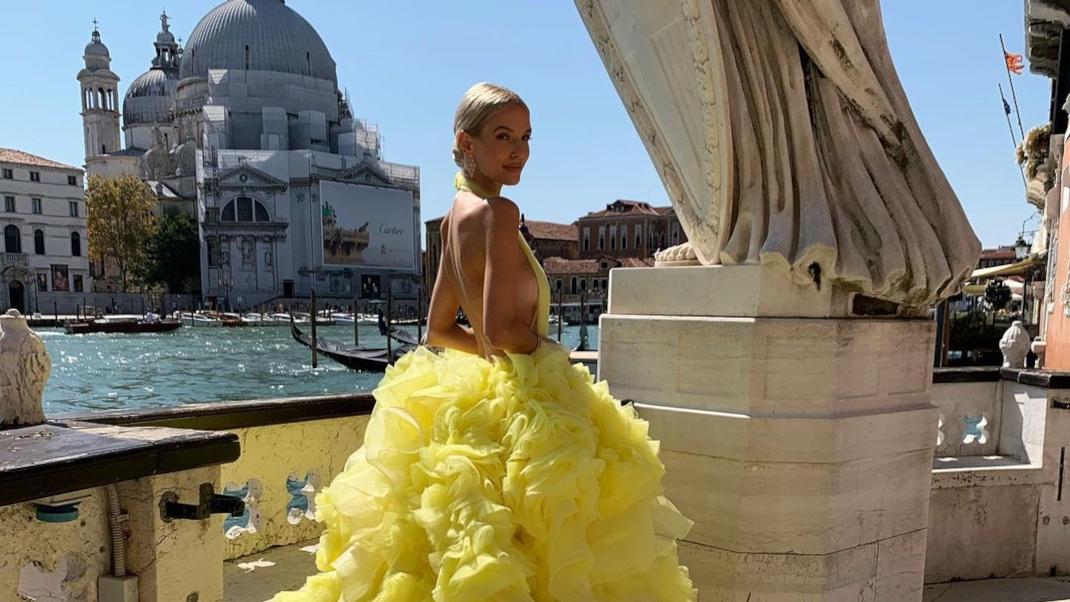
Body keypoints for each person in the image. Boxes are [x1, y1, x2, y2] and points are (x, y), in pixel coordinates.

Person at [275, 83, 695, 601]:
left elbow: (439, 331)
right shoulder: (500, 215)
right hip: (525, 397)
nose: (519, 151)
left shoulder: (455, 215)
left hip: (482, 390)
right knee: (554, 549)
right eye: (503, 136)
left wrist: (498, 358)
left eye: (525, 137)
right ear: (466, 142)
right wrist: (546, 352)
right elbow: (498, 333)